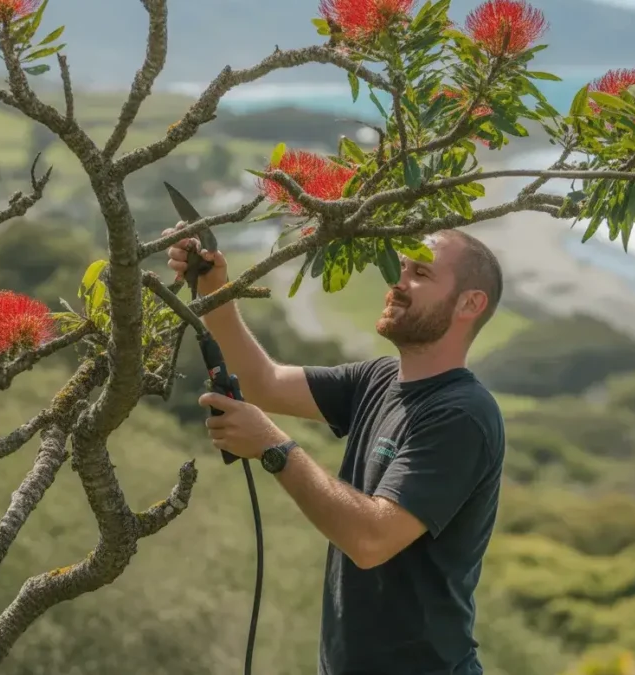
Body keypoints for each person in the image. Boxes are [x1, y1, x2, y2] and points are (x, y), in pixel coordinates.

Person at [165, 226, 506, 675]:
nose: (397, 280)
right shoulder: (378, 379)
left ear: (470, 303)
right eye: (401, 267)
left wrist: (273, 447)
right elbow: (263, 383)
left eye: (420, 273)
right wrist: (213, 288)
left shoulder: (461, 415)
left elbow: (371, 540)